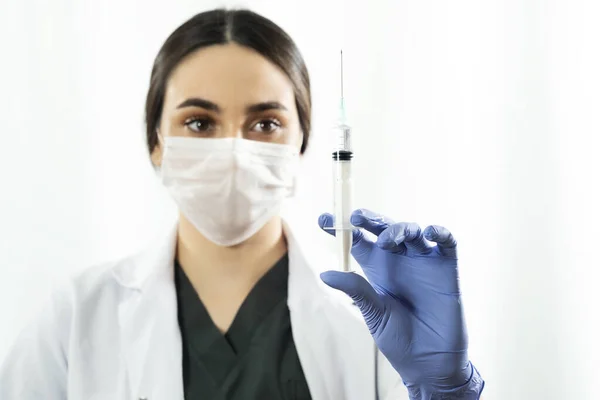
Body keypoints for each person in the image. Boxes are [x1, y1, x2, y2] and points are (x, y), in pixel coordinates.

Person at [0, 8, 485, 400]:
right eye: (198, 123)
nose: (232, 149)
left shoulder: (371, 326)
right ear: (155, 142)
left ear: (301, 142)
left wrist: (446, 392)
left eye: (265, 123)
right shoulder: (77, 318)